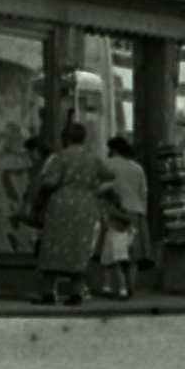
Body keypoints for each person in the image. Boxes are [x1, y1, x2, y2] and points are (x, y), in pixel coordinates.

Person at [29, 119, 110, 307]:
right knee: (79, 246)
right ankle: (76, 293)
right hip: (85, 204)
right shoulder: (93, 158)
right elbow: (108, 175)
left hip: (62, 204)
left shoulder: (60, 157)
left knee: (53, 246)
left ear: (66, 138)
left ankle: (49, 292)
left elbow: (50, 181)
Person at [98, 133, 149, 300]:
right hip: (137, 213)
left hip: (115, 213)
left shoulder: (108, 165)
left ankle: (115, 287)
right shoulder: (137, 168)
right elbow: (144, 193)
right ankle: (131, 287)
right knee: (132, 255)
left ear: (113, 150)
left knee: (114, 254)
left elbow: (99, 188)